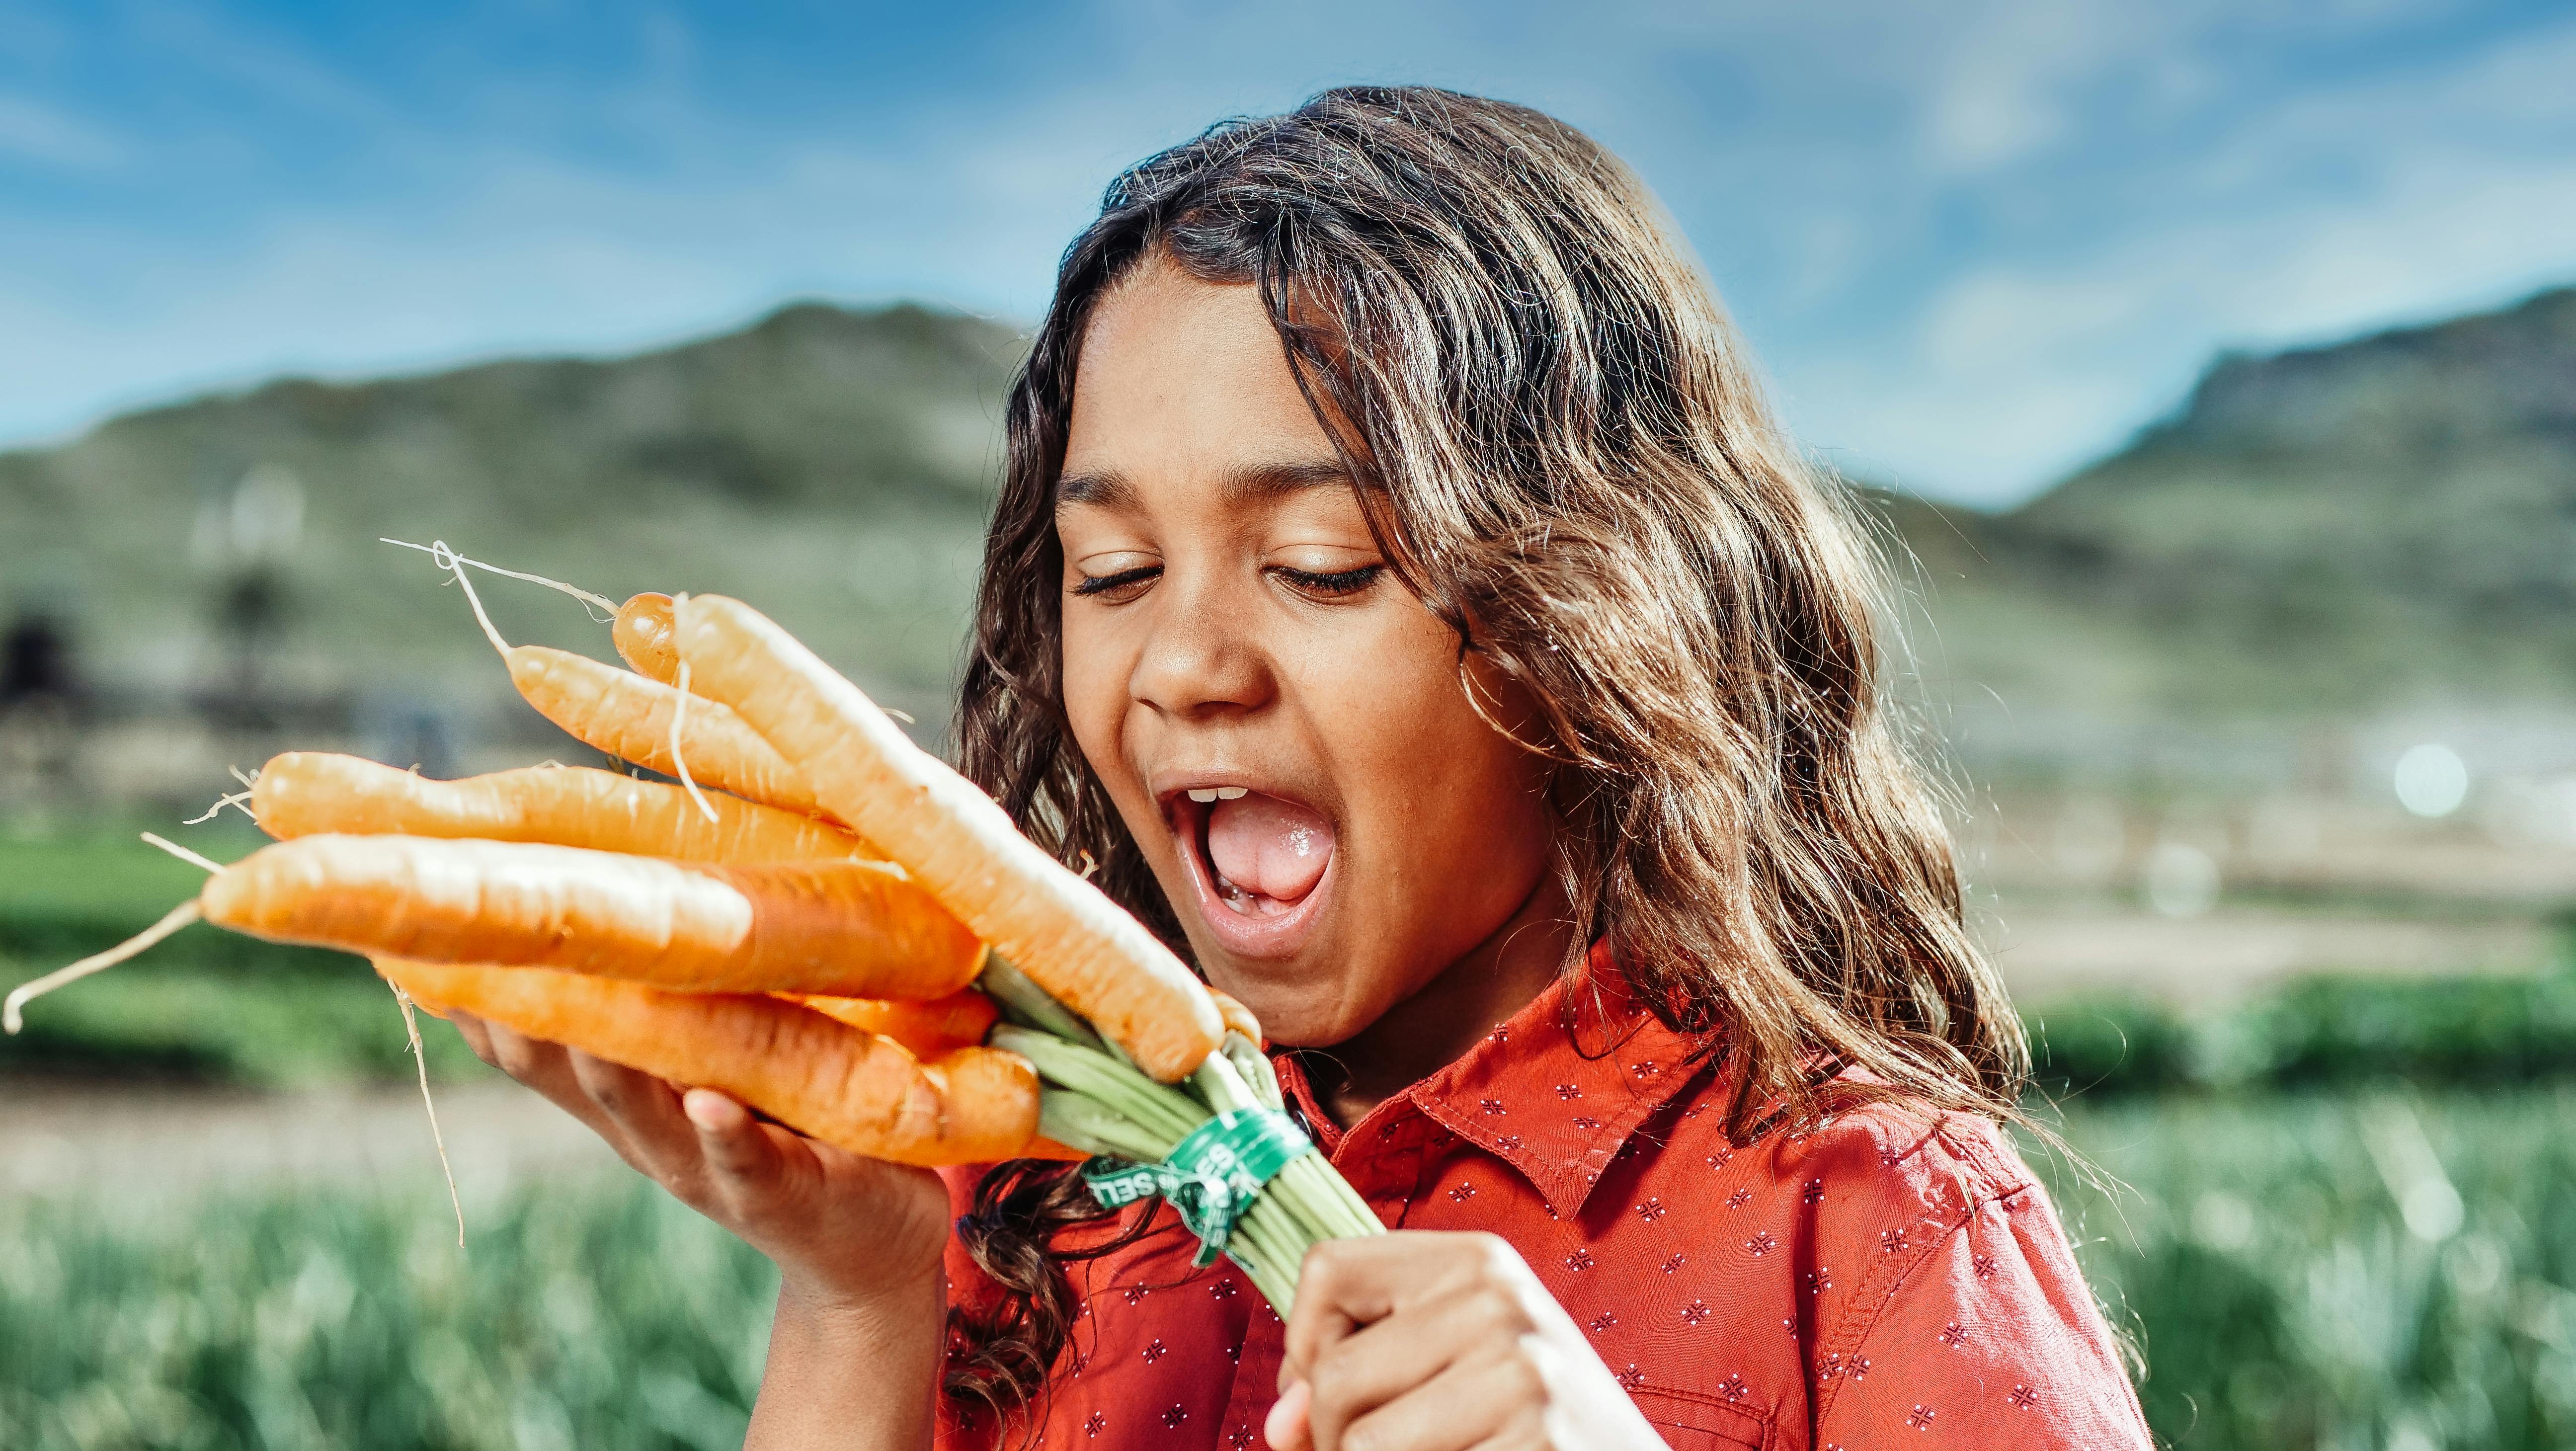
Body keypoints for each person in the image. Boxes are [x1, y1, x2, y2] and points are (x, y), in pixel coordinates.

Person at [448, 86, 2154, 1451]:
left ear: (1596, 608)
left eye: (1324, 562)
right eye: (1111, 577)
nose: (1183, 662)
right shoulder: (1021, 1203)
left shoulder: (1867, 1225)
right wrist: (857, 1305)